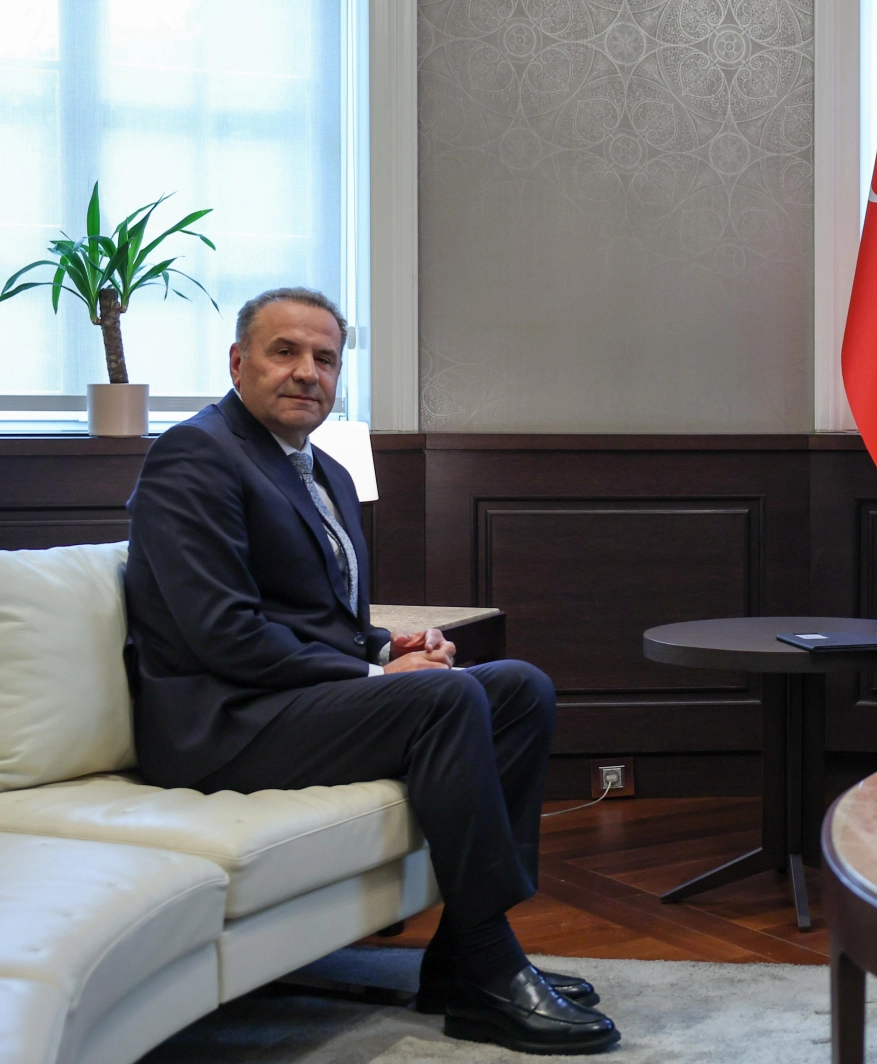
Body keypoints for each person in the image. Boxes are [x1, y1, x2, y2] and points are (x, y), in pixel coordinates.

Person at [122, 287, 619, 1056]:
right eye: (284, 352)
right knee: (443, 699)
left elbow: (320, 616)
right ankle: (489, 966)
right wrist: (380, 679)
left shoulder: (325, 470)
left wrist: (389, 648)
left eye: (325, 358)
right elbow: (224, 635)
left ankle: (461, 954)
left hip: (288, 702)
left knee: (520, 688)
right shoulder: (195, 455)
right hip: (220, 721)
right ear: (238, 363)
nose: (307, 372)